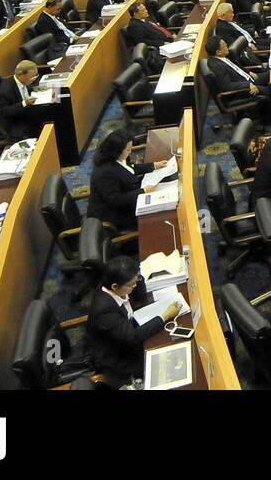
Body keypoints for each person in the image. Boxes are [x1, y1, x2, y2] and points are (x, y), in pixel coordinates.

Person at [85, 255, 180, 388]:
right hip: (118, 357)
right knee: (168, 361)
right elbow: (132, 337)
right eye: (131, 284)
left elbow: (140, 296)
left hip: (127, 333)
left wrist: (137, 278)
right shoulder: (105, 312)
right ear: (115, 287)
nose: (135, 286)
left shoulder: (117, 289)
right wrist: (165, 316)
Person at [86, 130, 142, 232]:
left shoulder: (116, 158)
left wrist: (155, 166)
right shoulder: (105, 172)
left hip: (122, 201)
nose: (130, 152)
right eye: (128, 150)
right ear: (117, 151)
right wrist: (143, 191)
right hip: (112, 216)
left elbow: (129, 169)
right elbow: (115, 200)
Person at [0, 60, 42, 138]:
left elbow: (23, 88)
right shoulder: (4, 91)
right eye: (32, 77)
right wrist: (24, 103)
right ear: (21, 75)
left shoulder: (21, 81)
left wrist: (33, 88)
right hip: (15, 122)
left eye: (36, 76)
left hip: (27, 113)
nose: (34, 79)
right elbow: (3, 112)